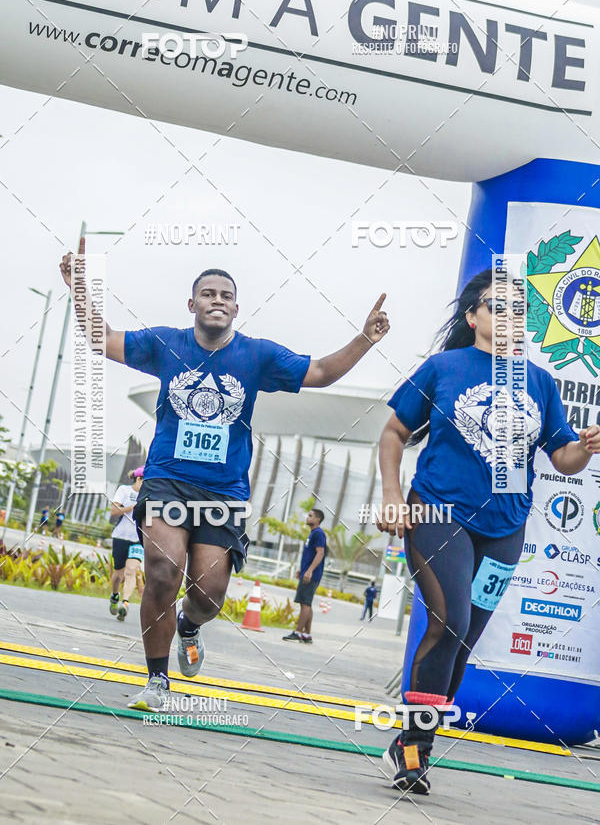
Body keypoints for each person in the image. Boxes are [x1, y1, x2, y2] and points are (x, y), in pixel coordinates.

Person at [59, 239, 390, 712]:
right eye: (208, 293)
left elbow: (319, 372)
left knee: (208, 594)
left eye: (226, 295)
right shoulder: (163, 344)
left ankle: (189, 627)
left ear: (236, 308)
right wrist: (80, 290)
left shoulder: (257, 357)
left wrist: (364, 339)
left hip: (222, 492)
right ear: (192, 304)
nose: (217, 300)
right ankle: (158, 682)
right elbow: (103, 339)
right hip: (167, 479)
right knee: (161, 570)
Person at [377, 269, 600, 796]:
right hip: (437, 514)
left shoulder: (540, 382)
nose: (507, 318)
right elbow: (393, 432)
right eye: (495, 307)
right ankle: (412, 748)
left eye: (517, 311)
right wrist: (391, 495)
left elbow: (562, 458)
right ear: (474, 318)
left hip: (506, 528)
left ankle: (415, 742)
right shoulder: (443, 369)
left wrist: (586, 447)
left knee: (464, 640)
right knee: (448, 621)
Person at [282, 509, 327, 644]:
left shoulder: (318, 533)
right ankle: (306, 635)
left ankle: (297, 632)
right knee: (306, 603)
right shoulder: (313, 533)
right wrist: (302, 570)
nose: (307, 518)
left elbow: (320, 553)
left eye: (310, 516)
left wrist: (309, 571)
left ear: (317, 519)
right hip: (308, 572)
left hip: (311, 575)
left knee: (305, 603)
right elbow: (311, 554)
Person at [109, 467, 145, 621]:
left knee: (131, 570)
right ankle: (115, 595)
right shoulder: (123, 490)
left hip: (138, 539)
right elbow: (113, 511)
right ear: (139, 479)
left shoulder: (149, 496)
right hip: (121, 537)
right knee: (118, 574)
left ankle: (125, 603)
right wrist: (133, 507)